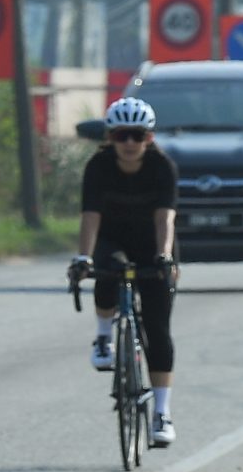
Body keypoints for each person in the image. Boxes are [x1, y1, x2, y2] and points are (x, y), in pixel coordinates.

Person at [69, 95, 180, 446]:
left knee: (158, 330)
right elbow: (90, 216)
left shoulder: (162, 167)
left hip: (153, 243)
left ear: (149, 137)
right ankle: (104, 336)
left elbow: (165, 218)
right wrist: (83, 257)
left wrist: (164, 256)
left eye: (137, 135)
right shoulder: (98, 166)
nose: (130, 143)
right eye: (121, 135)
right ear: (110, 138)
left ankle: (161, 413)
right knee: (105, 269)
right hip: (112, 238)